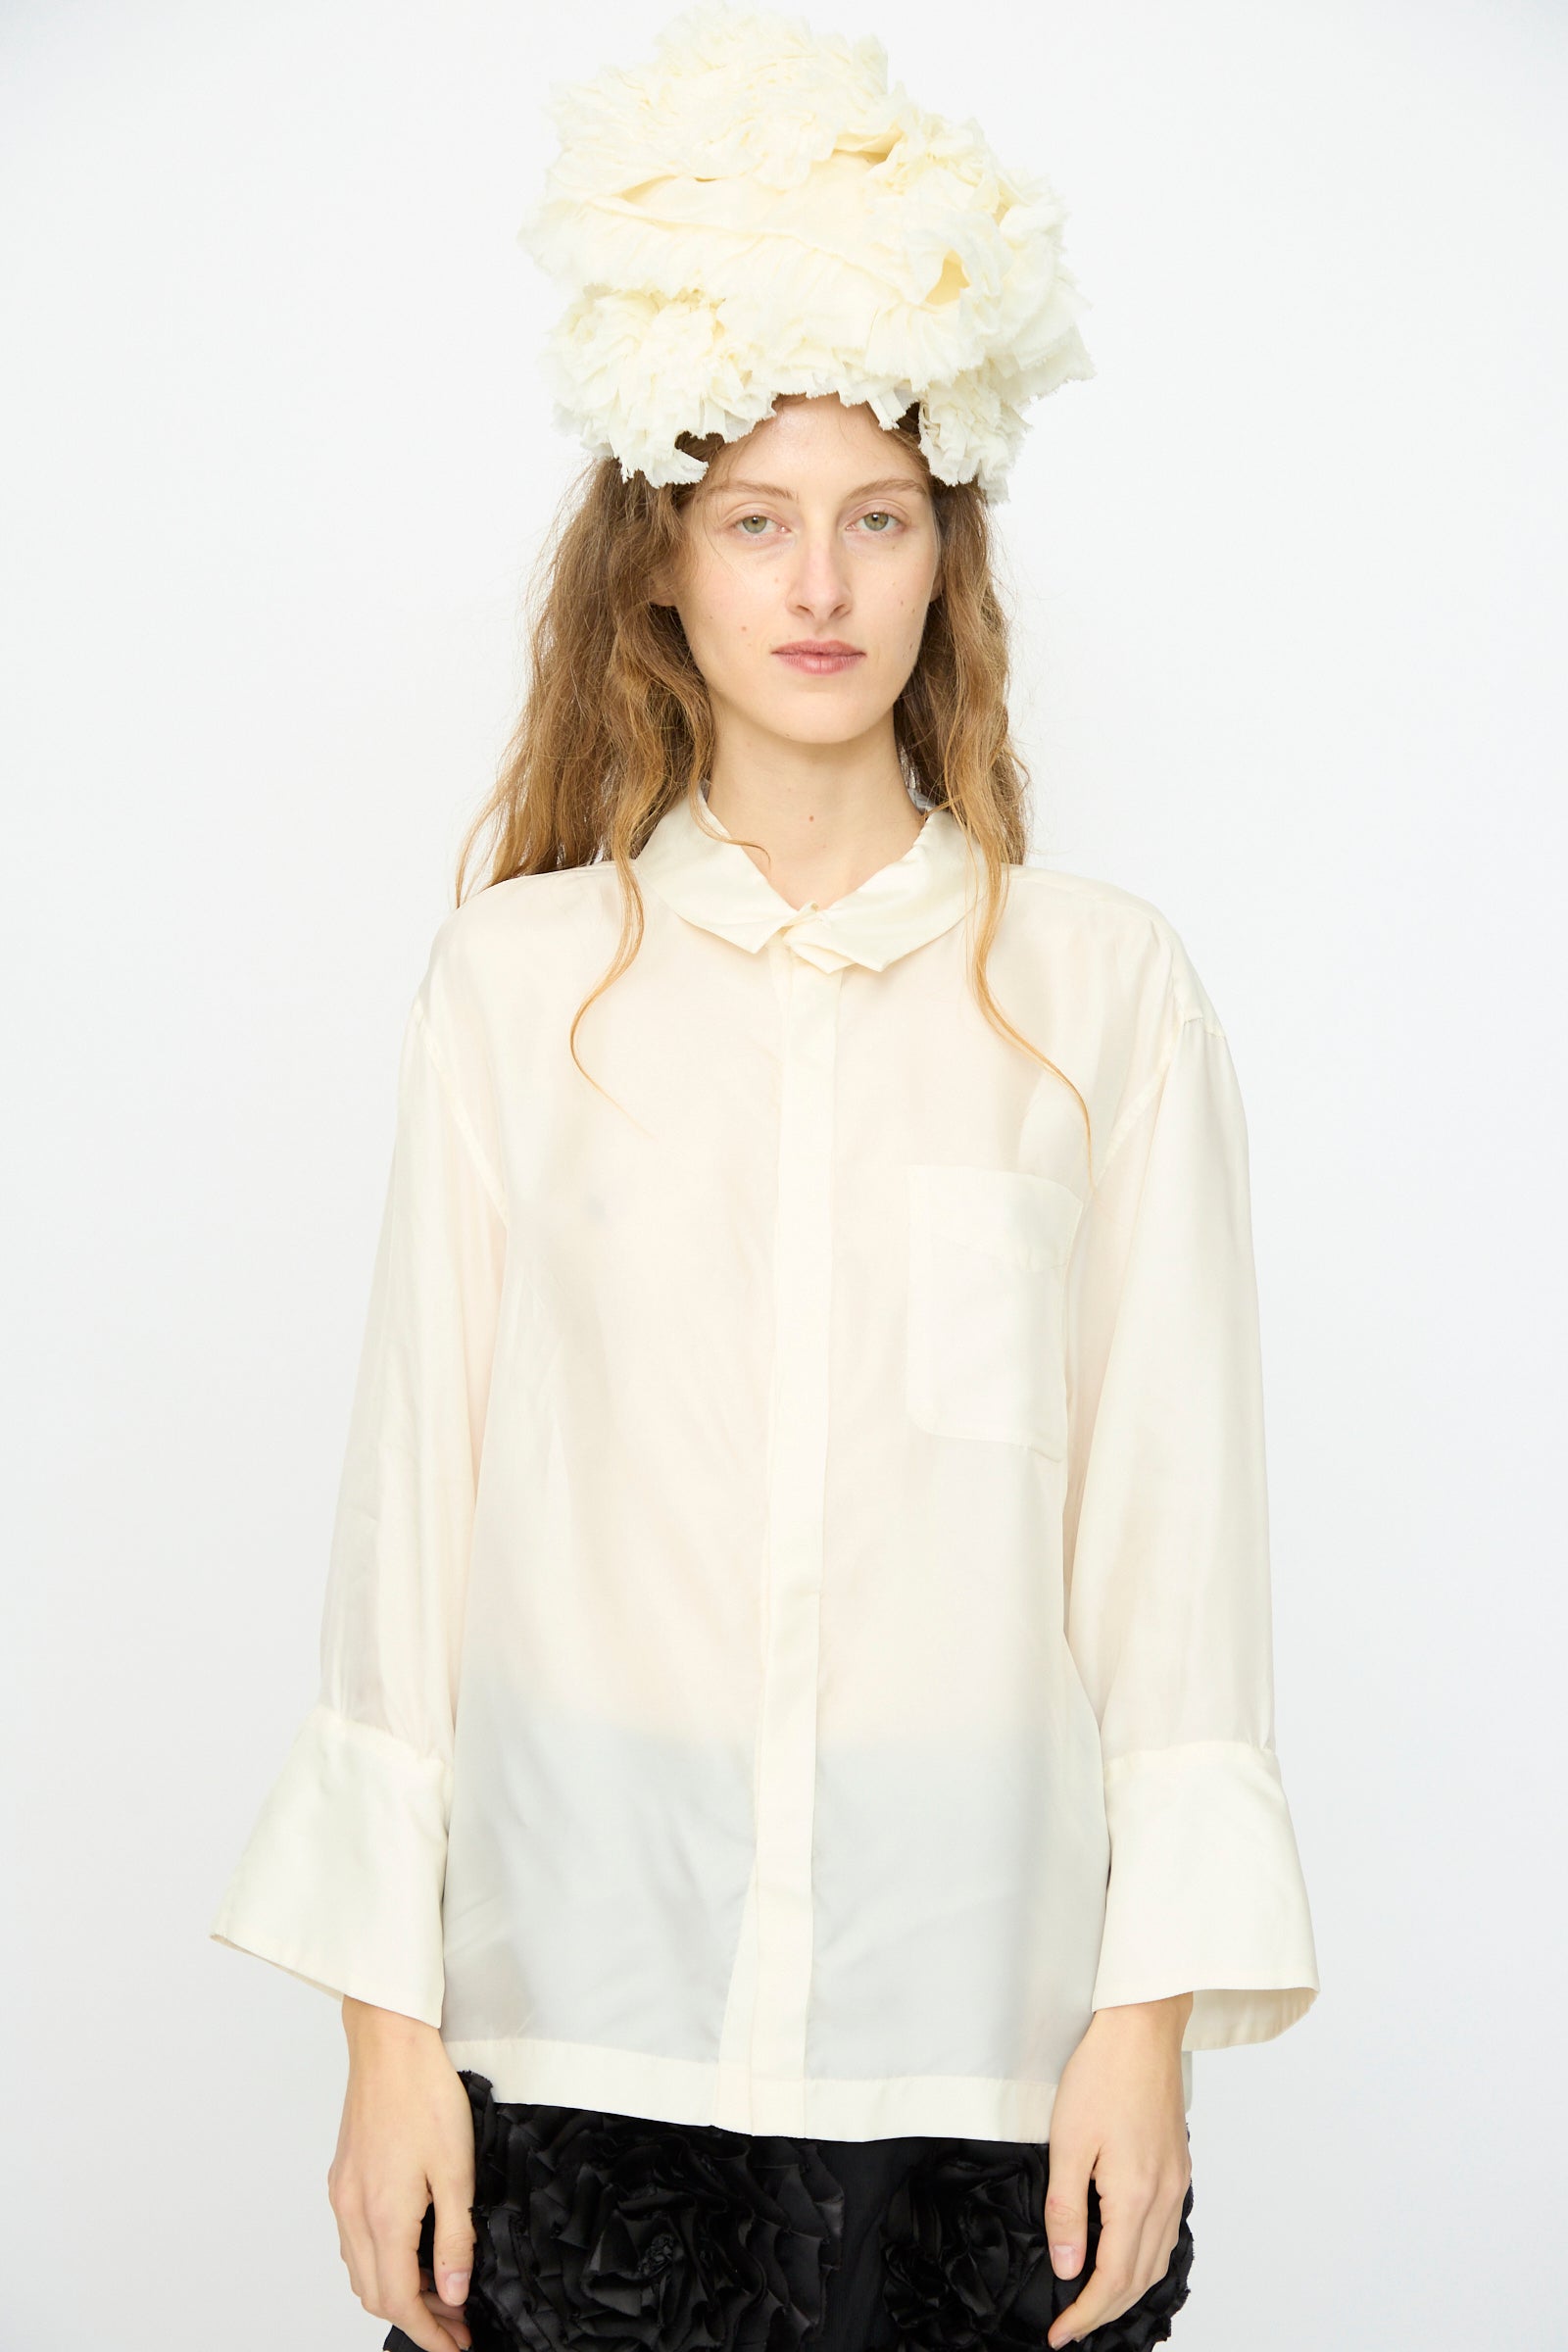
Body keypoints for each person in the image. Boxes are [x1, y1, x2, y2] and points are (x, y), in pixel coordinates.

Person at [208, 8, 1321, 2350]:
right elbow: (411, 1526)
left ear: (945, 559)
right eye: (753, 520)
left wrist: (1142, 2029)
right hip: (574, 2036)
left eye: (876, 516)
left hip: (979, 2058)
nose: (817, 581)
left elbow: (1168, 1546)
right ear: (667, 570)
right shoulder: (518, 992)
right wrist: (383, 2034)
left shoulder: (1099, 994)